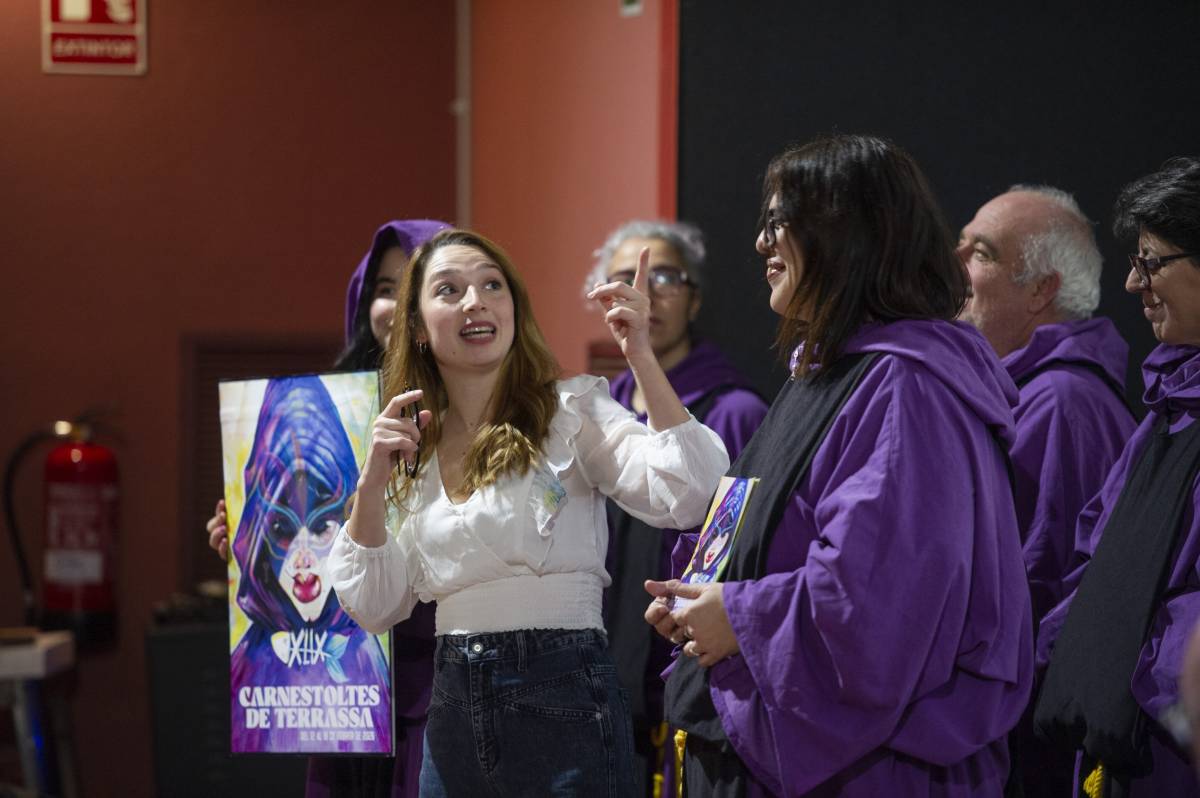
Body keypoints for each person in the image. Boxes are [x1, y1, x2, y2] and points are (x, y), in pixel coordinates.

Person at [646, 134, 1034, 796]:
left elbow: (881, 600)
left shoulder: (908, 388)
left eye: (780, 223)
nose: (762, 245)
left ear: (848, 234)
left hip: (863, 770)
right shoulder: (827, 374)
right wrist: (700, 593)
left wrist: (737, 614)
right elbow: (759, 521)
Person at [326, 228, 730, 797]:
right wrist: (372, 482)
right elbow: (373, 605)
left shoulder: (570, 412)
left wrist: (638, 352)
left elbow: (690, 493)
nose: (475, 301)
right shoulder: (408, 449)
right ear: (416, 327)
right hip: (451, 713)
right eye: (449, 289)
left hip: (564, 697)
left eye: (492, 284)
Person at [207, 219, 450, 797]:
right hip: (346, 710)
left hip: (444, 697)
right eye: (385, 289)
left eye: (417, 287)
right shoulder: (329, 415)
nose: (396, 306)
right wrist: (244, 535)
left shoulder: (471, 414)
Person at [1034, 156, 1200, 797]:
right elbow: (1091, 568)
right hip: (1109, 747)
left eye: (1152, 261)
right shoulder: (1164, 416)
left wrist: (1120, 650)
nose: (1133, 283)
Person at [590, 220, 769, 797]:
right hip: (599, 684)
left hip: (688, 674)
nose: (647, 292)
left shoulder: (734, 410)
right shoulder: (593, 414)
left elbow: (747, 553)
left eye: (666, 277)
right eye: (626, 278)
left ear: (693, 299)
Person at [958, 186, 1136, 625]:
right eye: (958, 245)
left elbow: (1036, 587)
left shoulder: (1059, 404)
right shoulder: (1035, 393)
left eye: (980, 253)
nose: (952, 263)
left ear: (1041, 289)